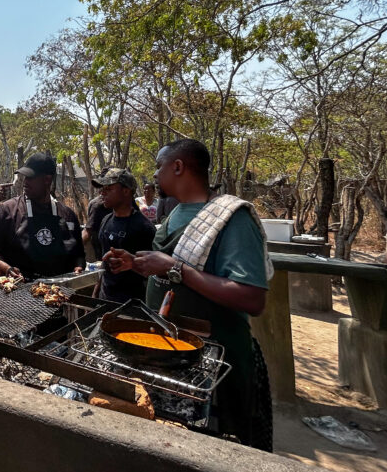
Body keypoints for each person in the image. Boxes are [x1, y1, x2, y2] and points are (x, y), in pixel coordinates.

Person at [103, 139, 272, 450]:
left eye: (158, 166)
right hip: (168, 356)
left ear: (178, 167)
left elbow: (252, 298)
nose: (154, 175)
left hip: (214, 362)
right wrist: (137, 264)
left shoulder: (231, 217)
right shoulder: (175, 214)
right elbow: (169, 269)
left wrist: (176, 269)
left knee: (217, 453)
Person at [0, 153, 85, 280]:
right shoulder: (8, 210)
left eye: (30, 177)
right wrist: (7, 268)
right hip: (20, 290)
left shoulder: (67, 215)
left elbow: (79, 255)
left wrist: (79, 267)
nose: (25, 182)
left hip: (59, 290)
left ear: (47, 180)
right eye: (24, 177)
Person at [93, 168, 156, 303]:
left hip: (132, 306)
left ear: (126, 191)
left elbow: (153, 273)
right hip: (106, 300)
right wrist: (95, 296)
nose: (102, 193)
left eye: (108, 189)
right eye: (102, 188)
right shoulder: (105, 221)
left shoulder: (144, 228)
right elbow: (104, 266)